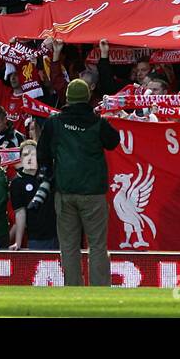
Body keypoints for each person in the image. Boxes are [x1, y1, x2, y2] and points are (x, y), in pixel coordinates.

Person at [37, 78, 121, 287]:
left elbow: (42, 153)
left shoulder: (55, 123)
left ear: (67, 98)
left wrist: (49, 177)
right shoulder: (98, 123)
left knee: (69, 246)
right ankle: (100, 291)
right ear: (88, 97)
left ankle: (73, 290)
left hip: (65, 192)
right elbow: (114, 141)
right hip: (93, 193)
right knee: (97, 246)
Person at [10, 139, 57, 250]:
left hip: (59, 235)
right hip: (37, 237)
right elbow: (20, 213)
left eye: (33, 154)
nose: (30, 158)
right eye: (26, 154)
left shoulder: (49, 175)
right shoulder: (17, 182)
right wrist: (18, 242)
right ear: (21, 158)